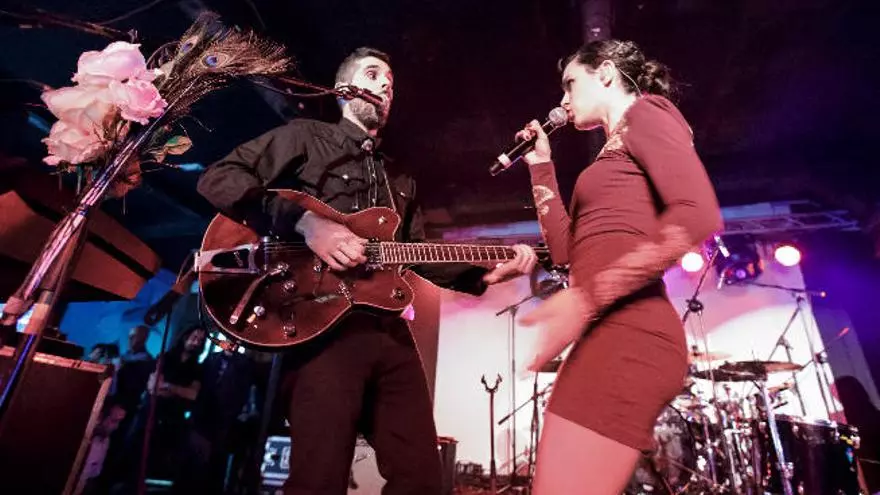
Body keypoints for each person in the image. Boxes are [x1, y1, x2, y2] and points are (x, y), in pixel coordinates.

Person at [196, 47, 536, 494]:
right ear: (344, 90)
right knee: (319, 480)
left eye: (390, 83)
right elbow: (218, 178)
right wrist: (306, 222)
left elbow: (413, 251)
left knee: (422, 479)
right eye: (374, 75)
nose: (385, 86)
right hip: (320, 329)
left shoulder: (401, 177)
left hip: (388, 331)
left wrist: (481, 276)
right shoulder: (306, 137)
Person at [514, 39, 723, 494]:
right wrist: (541, 168)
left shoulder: (646, 113)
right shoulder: (609, 154)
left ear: (606, 73)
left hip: (632, 333)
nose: (563, 99)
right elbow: (566, 254)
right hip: (604, 332)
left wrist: (587, 298)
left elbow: (698, 214)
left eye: (571, 83)